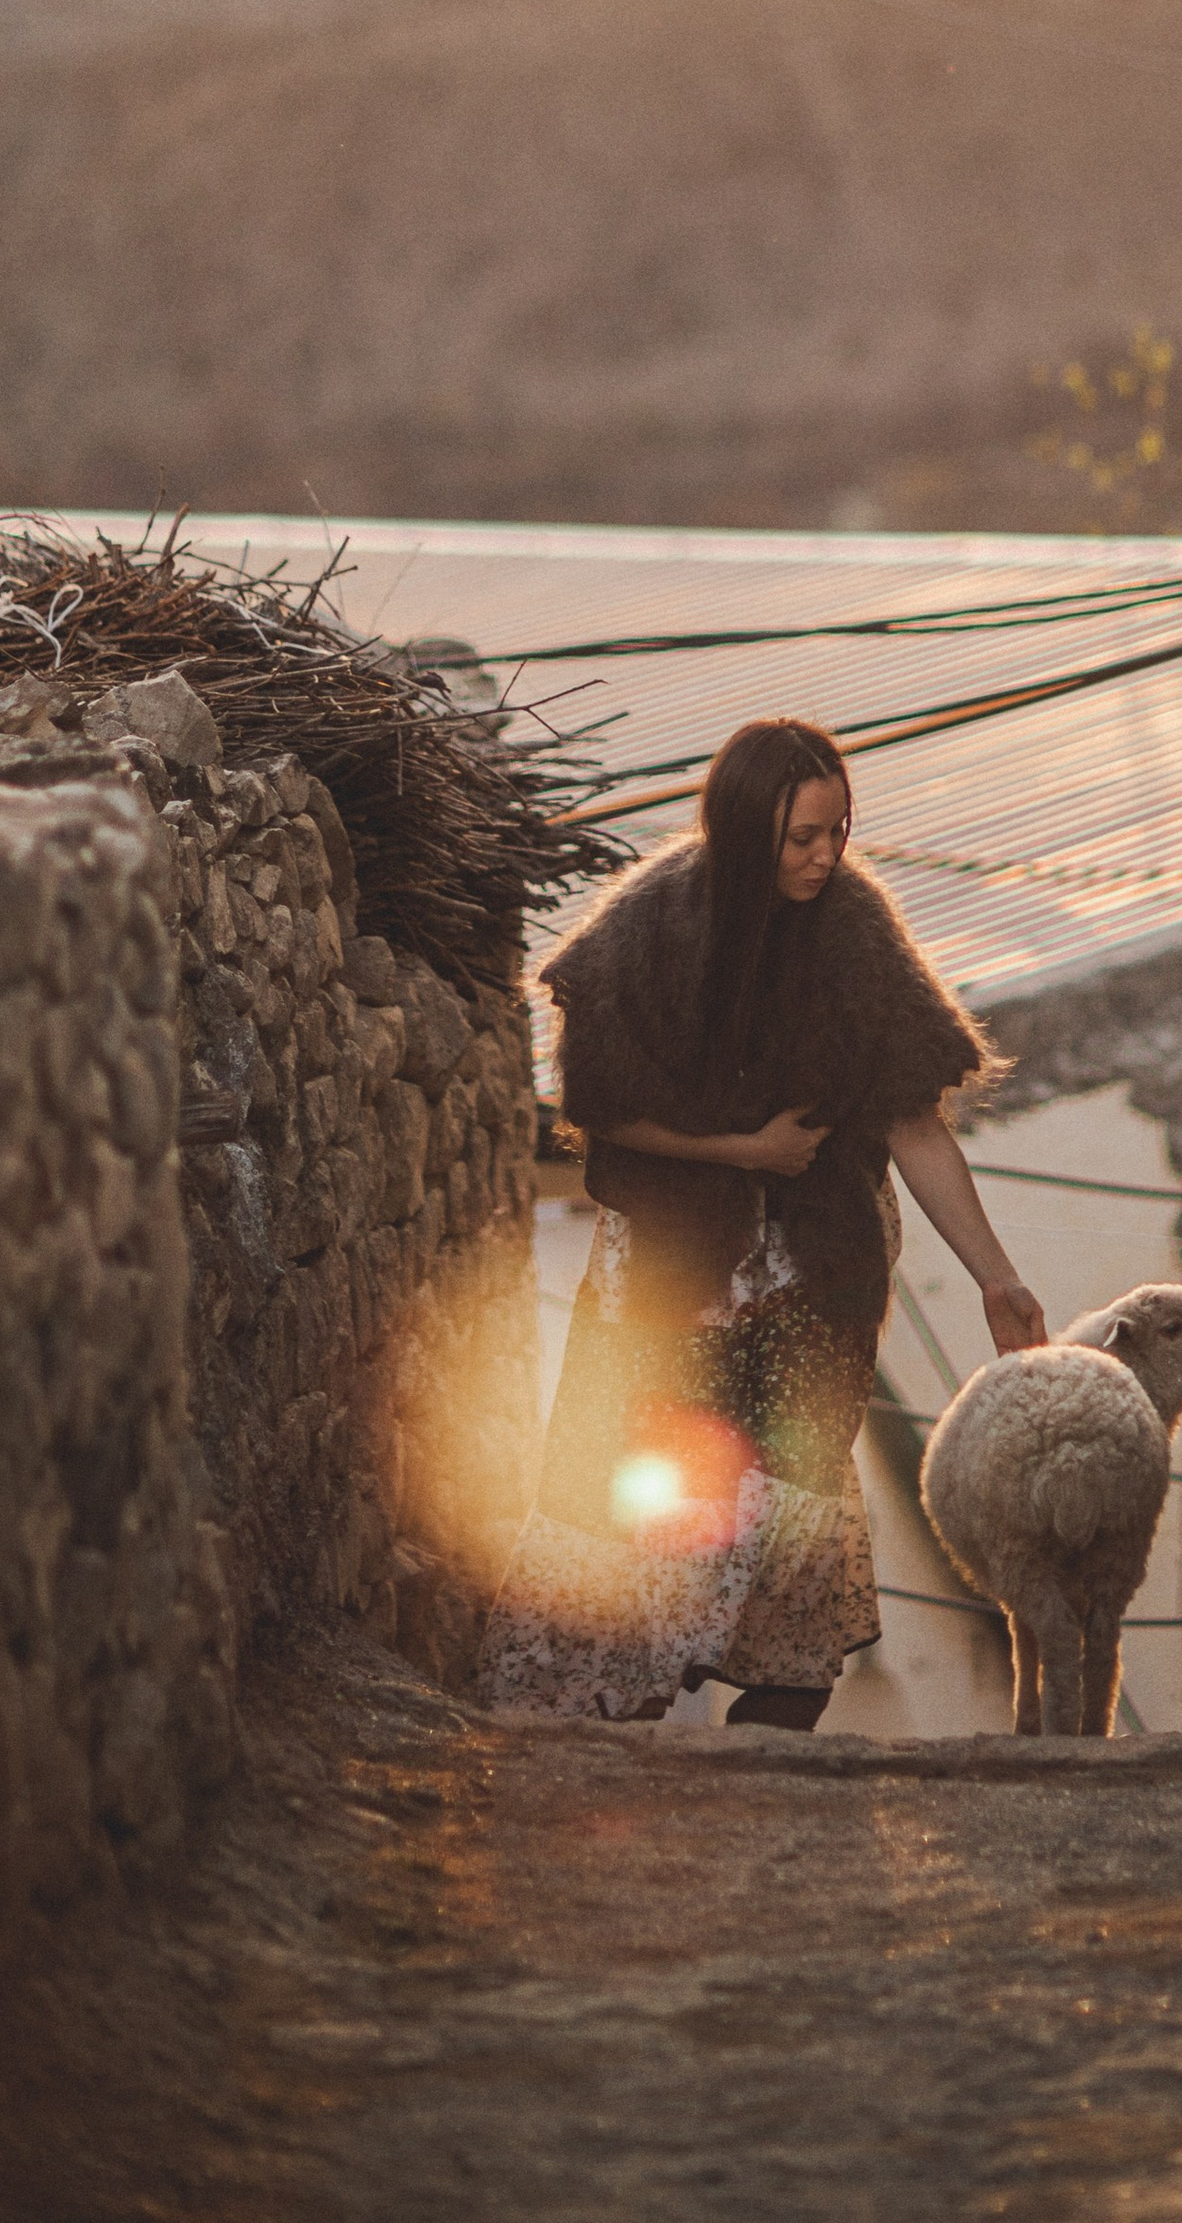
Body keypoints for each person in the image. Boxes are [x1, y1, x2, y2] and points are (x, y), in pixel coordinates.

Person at [476, 717, 1047, 1727]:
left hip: (811, 1286)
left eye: (838, 831)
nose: (826, 856)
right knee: (641, 1518)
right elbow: (603, 1106)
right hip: (666, 1283)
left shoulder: (853, 930)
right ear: (744, 834)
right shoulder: (650, 928)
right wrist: (739, 1154)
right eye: (801, 839)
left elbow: (913, 1121)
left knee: (796, 1530)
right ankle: (598, 1762)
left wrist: (995, 1275)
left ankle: (765, 1763)